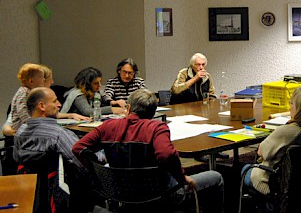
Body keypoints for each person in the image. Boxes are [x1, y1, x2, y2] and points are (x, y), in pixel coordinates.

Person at [72, 88, 224, 212]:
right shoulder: (157, 128)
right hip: (161, 194)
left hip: (119, 192)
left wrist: (97, 170)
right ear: (153, 112)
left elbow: (78, 148)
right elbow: (167, 154)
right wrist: (182, 178)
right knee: (216, 177)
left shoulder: (107, 127)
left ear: (129, 108)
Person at [14, 87, 90, 212]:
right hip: (61, 198)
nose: (59, 105)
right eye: (55, 101)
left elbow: (17, 158)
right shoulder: (58, 134)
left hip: (29, 196)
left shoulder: (21, 131)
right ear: (42, 106)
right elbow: (82, 164)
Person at [241, 86, 301, 195]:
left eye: (291, 103)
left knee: (245, 169)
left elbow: (261, 152)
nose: (289, 107)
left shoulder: (286, 131)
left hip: (276, 184)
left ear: (300, 109)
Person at [2, 63, 46, 136]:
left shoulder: (29, 92)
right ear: (31, 81)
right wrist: (33, 124)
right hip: (20, 127)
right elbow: (22, 111)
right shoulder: (24, 93)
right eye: (41, 77)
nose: (44, 79)